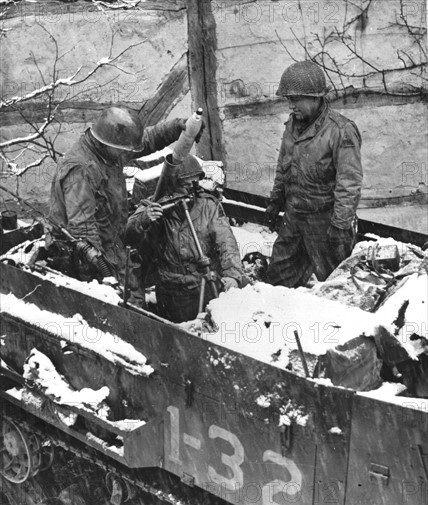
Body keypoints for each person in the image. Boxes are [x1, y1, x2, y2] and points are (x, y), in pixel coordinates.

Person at [46, 106, 188, 282]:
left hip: (112, 243)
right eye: (123, 148)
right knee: (125, 301)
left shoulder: (108, 150)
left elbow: (145, 141)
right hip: (86, 255)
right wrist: (99, 280)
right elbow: (83, 232)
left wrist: (177, 128)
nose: (126, 152)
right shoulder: (81, 170)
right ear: (106, 142)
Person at [265, 60, 363, 288]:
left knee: (336, 289)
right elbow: (283, 167)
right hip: (294, 217)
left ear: (315, 97)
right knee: (276, 284)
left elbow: (349, 182)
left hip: (325, 223)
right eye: (288, 99)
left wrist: (340, 225)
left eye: (295, 99)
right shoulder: (292, 125)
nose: (291, 105)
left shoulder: (340, 130)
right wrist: (275, 201)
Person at [125, 155, 242, 322]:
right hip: (170, 291)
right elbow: (128, 236)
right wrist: (144, 219)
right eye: (186, 185)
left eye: (194, 183)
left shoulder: (208, 205)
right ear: (172, 185)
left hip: (202, 285)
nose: (191, 190)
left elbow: (226, 242)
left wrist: (232, 274)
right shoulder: (156, 204)